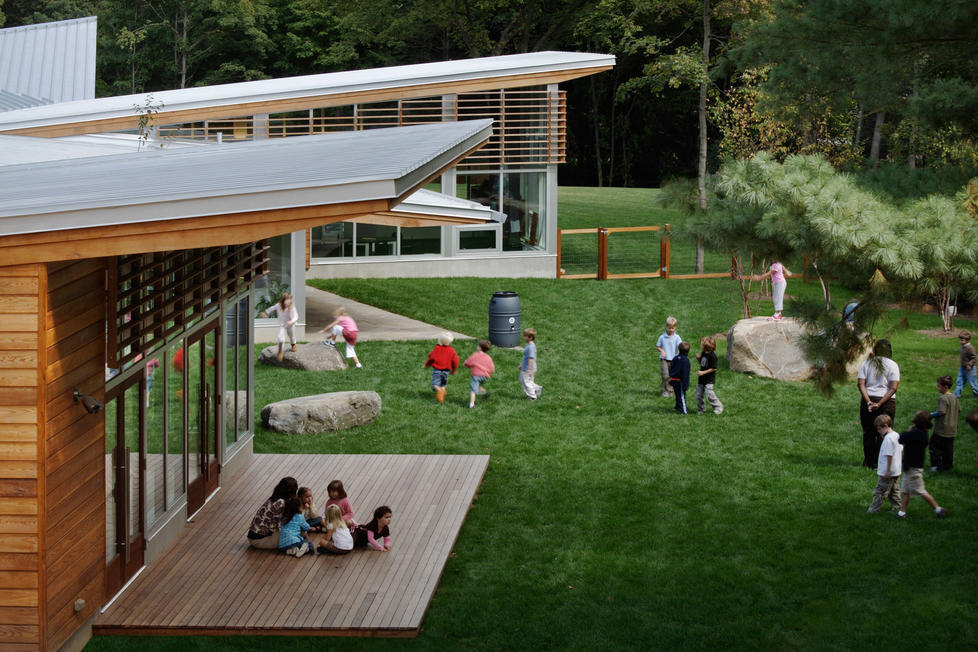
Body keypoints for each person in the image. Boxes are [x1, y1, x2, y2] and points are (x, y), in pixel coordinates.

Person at [856, 339, 900, 469]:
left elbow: (861, 384)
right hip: (887, 402)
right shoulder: (893, 365)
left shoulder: (867, 363)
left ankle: (869, 462)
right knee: (884, 433)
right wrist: (879, 404)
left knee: (868, 432)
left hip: (868, 399)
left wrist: (869, 401)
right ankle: (879, 463)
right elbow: (893, 388)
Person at [898, 411, 949, 519]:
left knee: (921, 491)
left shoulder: (916, 433)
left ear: (918, 420)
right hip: (910, 467)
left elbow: (901, 438)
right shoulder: (922, 432)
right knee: (905, 491)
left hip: (914, 469)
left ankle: (938, 509)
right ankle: (902, 513)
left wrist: (909, 431)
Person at [246, 476, 297, 549]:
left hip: (253, 537)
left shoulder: (274, 498)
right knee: (289, 535)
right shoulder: (280, 503)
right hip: (260, 540)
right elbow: (273, 526)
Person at [867, 414, 902, 514]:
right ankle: (897, 507)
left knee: (880, 491)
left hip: (887, 472)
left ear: (886, 426)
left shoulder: (888, 439)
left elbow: (889, 455)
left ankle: (874, 510)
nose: (878, 431)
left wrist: (887, 470)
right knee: (894, 491)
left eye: (879, 429)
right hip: (896, 470)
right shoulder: (896, 435)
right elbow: (900, 449)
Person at [929, 375, 960, 471]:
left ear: (945, 387)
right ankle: (948, 465)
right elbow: (959, 409)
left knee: (935, 448)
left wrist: (930, 415)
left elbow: (942, 411)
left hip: (941, 429)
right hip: (952, 429)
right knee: (948, 449)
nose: (937, 387)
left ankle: (937, 466)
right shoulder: (955, 397)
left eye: (938, 386)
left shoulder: (943, 398)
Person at [260, 292, 299, 362]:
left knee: (291, 335)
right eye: (286, 300)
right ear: (283, 301)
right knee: (280, 337)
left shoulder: (292, 307)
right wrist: (265, 313)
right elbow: (271, 309)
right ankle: (280, 351)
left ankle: (293, 344)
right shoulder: (278, 305)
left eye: (289, 300)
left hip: (290, 324)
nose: (287, 302)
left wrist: (292, 321)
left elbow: (295, 316)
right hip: (282, 324)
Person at [424, 332, 460, 404]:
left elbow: (431, 357)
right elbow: (456, 361)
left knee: (435, 385)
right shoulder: (452, 350)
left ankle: (440, 392)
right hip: (446, 371)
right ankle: (442, 392)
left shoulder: (437, 348)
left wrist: (427, 365)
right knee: (443, 384)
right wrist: (454, 370)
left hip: (437, 371)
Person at [695, 336, 723, 415]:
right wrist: (699, 359)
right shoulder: (703, 353)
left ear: (706, 346)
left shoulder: (712, 356)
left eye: (702, 344)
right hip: (701, 379)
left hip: (709, 379)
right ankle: (701, 409)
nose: (700, 345)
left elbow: (714, 368)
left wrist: (703, 372)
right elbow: (703, 364)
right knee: (698, 395)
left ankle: (718, 407)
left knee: (709, 394)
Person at [464, 339, 495, 409]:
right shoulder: (488, 357)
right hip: (485, 376)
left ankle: (471, 404)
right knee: (477, 385)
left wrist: (465, 363)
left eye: (478, 346)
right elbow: (492, 368)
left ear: (480, 348)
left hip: (476, 376)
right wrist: (489, 372)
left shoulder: (475, 355)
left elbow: (468, 362)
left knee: (472, 390)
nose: (477, 347)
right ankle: (484, 392)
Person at [655, 317, 682, 397]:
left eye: (672, 328)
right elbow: (658, 346)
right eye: (669, 328)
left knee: (671, 376)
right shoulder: (662, 337)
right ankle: (664, 391)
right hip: (664, 359)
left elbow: (680, 346)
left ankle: (670, 390)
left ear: (675, 327)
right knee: (665, 375)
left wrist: (678, 352)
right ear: (666, 326)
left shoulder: (677, 337)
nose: (671, 330)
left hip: (673, 359)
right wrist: (662, 351)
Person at [519, 328, 542, 400]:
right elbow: (526, 358)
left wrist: (530, 369)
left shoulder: (530, 347)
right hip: (527, 367)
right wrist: (521, 365)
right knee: (528, 381)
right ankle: (537, 388)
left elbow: (531, 359)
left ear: (530, 337)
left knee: (526, 382)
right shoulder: (529, 345)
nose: (523, 337)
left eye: (525, 336)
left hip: (528, 369)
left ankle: (532, 396)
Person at [954, 330, 978, 398]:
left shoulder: (970, 348)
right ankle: (956, 395)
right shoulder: (963, 346)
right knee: (959, 381)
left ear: (967, 340)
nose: (960, 342)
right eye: (960, 340)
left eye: (962, 340)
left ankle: (977, 394)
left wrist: (970, 364)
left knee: (973, 383)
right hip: (962, 368)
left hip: (970, 369)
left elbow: (974, 357)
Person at [669, 341, 691, 415]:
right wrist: (685, 384)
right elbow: (685, 373)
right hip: (680, 381)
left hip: (674, 379)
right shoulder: (686, 361)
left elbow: (671, 367)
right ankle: (684, 411)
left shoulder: (675, 358)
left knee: (677, 394)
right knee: (682, 396)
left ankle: (677, 406)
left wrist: (671, 377)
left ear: (679, 349)